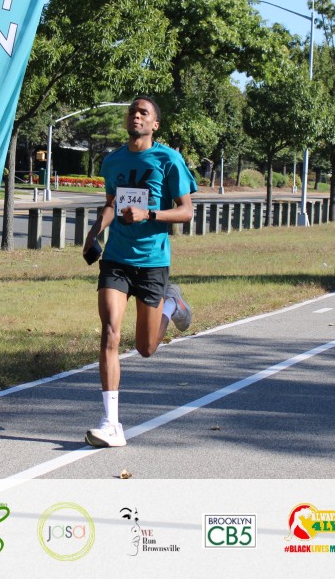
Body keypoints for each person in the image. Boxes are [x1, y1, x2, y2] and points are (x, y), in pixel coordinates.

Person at [81, 96, 196, 448]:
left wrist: (150, 215)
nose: (136, 116)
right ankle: (111, 423)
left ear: (154, 124)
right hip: (116, 258)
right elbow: (111, 204)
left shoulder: (168, 159)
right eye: (132, 111)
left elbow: (186, 211)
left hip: (152, 261)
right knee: (110, 333)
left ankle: (171, 304)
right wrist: (93, 233)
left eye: (143, 112)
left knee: (145, 348)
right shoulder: (113, 160)